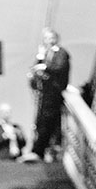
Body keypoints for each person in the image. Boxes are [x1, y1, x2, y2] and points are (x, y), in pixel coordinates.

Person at [21, 27, 70, 162]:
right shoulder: (47, 54)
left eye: (50, 38)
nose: (48, 41)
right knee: (42, 122)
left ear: (55, 39)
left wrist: (45, 68)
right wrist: (40, 57)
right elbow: (38, 68)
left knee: (49, 122)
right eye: (46, 39)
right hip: (45, 93)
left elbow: (59, 67)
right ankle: (38, 151)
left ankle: (41, 151)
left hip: (54, 93)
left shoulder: (61, 52)